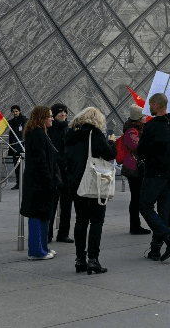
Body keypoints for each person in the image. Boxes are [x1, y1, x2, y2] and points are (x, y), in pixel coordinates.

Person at [65, 107, 117, 274]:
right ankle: (93, 260)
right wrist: (111, 142)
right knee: (96, 221)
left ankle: (80, 259)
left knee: (81, 220)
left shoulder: (70, 134)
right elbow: (109, 155)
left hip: (75, 182)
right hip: (94, 183)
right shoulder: (94, 134)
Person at [135, 93, 170, 262]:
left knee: (145, 205)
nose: (149, 107)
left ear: (156, 105)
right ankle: (155, 248)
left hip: (155, 173)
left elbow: (141, 150)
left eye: (150, 104)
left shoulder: (153, 126)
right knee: (163, 210)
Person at [20, 106, 60, 260]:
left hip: (38, 180)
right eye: (49, 116)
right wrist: (49, 180)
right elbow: (41, 161)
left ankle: (43, 247)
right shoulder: (37, 134)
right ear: (42, 117)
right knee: (37, 215)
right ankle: (36, 251)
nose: (52, 118)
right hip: (39, 182)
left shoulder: (38, 132)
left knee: (43, 214)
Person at [116, 105, 148, 235]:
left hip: (133, 167)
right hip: (134, 168)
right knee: (136, 197)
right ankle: (135, 226)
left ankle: (135, 225)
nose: (146, 117)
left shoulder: (134, 129)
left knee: (136, 197)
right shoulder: (131, 131)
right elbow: (138, 147)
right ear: (139, 119)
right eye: (144, 116)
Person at [48, 103, 73, 244]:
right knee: (52, 204)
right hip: (56, 172)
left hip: (67, 172)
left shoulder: (68, 129)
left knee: (67, 205)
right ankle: (48, 233)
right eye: (60, 112)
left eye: (65, 112)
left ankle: (63, 233)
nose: (63, 114)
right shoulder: (49, 130)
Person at [7, 104, 27, 190]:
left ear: (19, 111)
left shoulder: (24, 120)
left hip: (23, 146)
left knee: (25, 167)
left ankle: (25, 183)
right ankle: (18, 182)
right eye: (13, 112)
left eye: (16, 111)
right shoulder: (11, 122)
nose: (15, 113)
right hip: (14, 147)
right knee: (16, 166)